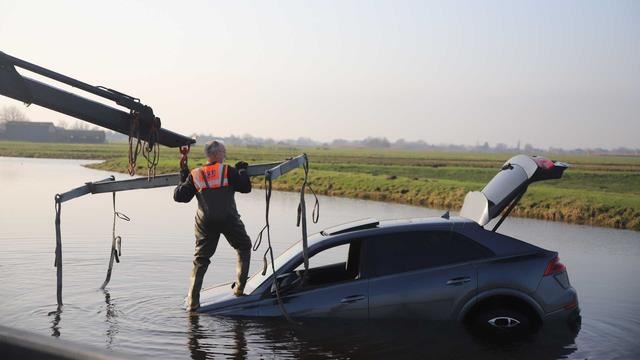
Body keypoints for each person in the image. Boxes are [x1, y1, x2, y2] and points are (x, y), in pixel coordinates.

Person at [174, 140, 252, 311]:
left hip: (205, 222)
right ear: (216, 154)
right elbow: (246, 187)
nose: (225, 155)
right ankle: (239, 290)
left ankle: (193, 302)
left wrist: (183, 175)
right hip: (228, 218)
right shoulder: (227, 170)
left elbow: (180, 197)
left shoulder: (195, 174)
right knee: (244, 246)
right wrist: (242, 171)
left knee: (201, 259)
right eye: (223, 152)